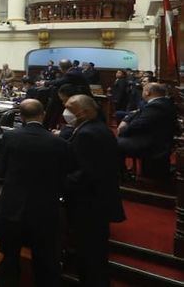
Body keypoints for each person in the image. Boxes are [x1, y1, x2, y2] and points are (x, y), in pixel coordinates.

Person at [0, 99, 70, 287]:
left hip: (12, 205)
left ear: (20, 117)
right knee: (44, 257)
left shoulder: (10, 137)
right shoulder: (59, 142)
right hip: (44, 207)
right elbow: (63, 176)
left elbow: (2, 169)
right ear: (43, 114)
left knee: (9, 255)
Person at [63, 95, 125, 286]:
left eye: (70, 109)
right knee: (94, 250)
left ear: (87, 112)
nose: (66, 113)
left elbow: (86, 174)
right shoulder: (96, 128)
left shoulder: (87, 134)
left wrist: (58, 180)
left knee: (90, 252)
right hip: (98, 199)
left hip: (90, 203)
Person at [117, 83, 177, 161]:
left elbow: (138, 125)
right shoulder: (162, 102)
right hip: (154, 138)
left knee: (113, 143)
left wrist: (123, 132)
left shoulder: (156, 105)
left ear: (147, 92)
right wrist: (126, 120)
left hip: (153, 144)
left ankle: (120, 172)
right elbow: (137, 113)